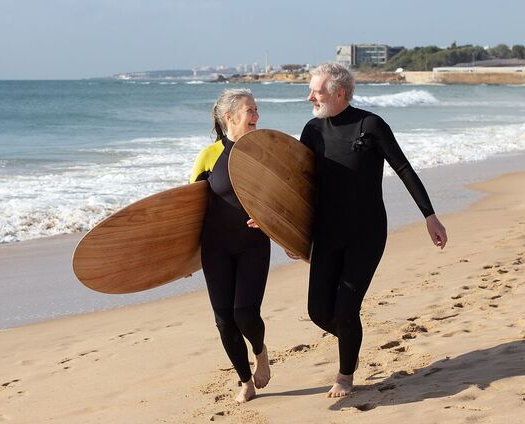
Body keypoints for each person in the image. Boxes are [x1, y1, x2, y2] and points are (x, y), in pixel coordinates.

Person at [298, 63, 448, 398]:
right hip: (326, 233)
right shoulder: (311, 130)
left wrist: (430, 216)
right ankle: (352, 338)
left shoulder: (371, 125)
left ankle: (345, 374)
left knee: (346, 309)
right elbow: (299, 186)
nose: (309, 96)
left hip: (366, 233)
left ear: (338, 93)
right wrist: (284, 229)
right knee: (319, 312)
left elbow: (404, 167)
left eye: (316, 91)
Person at [189, 88, 271, 403]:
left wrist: (272, 221)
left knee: (245, 315)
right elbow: (188, 208)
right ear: (230, 117)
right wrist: (182, 258)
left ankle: (261, 352)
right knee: (224, 320)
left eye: (256, 109)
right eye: (251, 110)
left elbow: (284, 197)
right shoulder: (209, 156)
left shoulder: (265, 150)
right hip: (215, 249)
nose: (256, 116)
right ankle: (245, 381)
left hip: (253, 244)